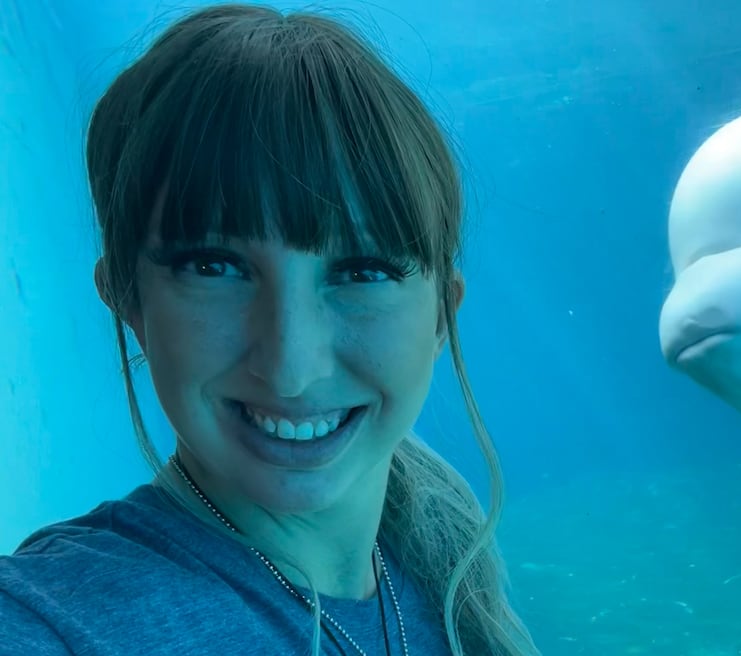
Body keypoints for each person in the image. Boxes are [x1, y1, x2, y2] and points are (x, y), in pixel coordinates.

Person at [0, 4, 541, 655]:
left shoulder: (445, 584)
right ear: (126, 298)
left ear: (442, 314)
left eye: (362, 271)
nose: (291, 366)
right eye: (214, 266)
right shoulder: (50, 621)